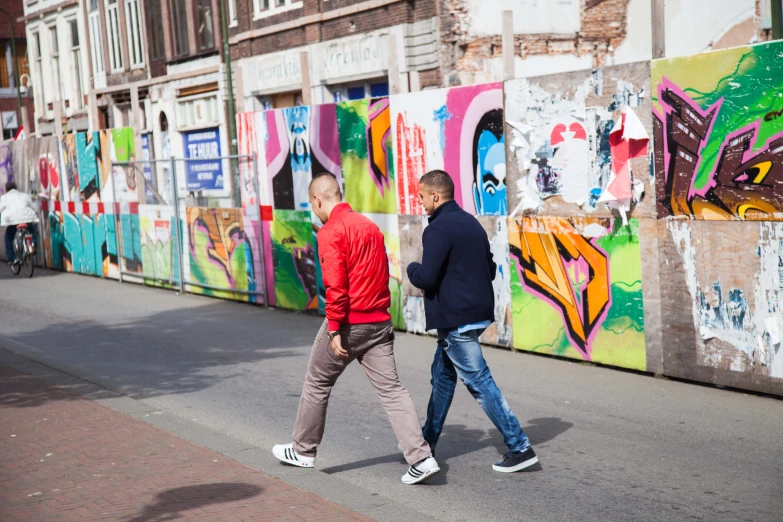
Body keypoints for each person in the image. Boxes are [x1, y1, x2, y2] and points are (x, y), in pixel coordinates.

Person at [273, 173, 440, 485]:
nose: (313, 210)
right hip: (379, 321)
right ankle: (421, 457)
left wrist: (335, 329)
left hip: (350, 322)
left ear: (319, 200)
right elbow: (381, 274)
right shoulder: (369, 226)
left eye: (312, 205)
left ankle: (303, 450)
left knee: (317, 382)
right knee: (392, 390)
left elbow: (335, 285)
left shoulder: (330, 231)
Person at [407, 170, 538, 473]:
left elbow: (426, 277)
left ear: (435, 196)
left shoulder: (437, 229)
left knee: (480, 383)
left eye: (422, 196)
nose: (421, 201)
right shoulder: (471, 224)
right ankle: (426, 445)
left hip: (457, 320)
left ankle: (519, 446)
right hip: (475, 315)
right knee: (442, 379)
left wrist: (413, 266)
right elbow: (489, 269)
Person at [0, 181, 39, 266]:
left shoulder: (4, 197)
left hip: (13, 221)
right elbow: (34, 206)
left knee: (8, 237)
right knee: (32, 231)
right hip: (26, 218)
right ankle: (33, 245)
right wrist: (36, 212)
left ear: (6, 189)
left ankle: (12, 258)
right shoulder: (24, 195)